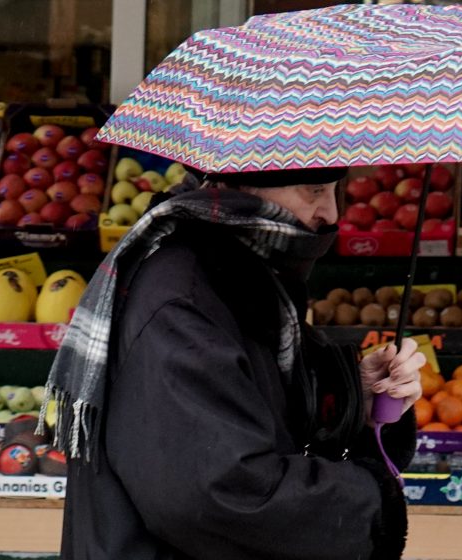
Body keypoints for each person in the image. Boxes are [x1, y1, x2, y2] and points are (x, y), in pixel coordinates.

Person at [39, 166, 426, 560]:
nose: (330, 213)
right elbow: (219, 494)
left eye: (333, 192)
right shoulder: (183, 302)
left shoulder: (235, 273)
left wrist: (353, 398)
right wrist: (373, 506)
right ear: (246, 187)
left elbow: (258, 402)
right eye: (313, 191)